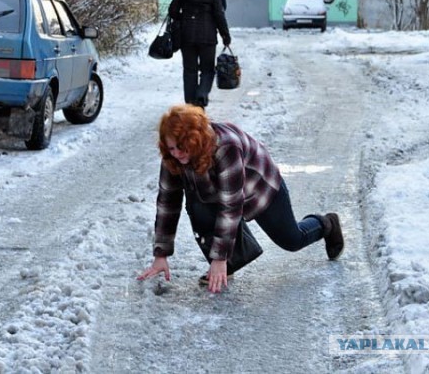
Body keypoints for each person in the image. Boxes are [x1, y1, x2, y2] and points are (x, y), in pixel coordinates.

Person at [137, 104, 344, 293]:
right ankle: (228, 262)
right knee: (198, 205)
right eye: (172, 148)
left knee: (292, 240)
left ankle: (326, 223)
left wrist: (218, 258)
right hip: (217, 191)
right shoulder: (172, 157)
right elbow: (167, 202)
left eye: (182, 147)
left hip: (258, 187)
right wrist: (161, 254)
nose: (177, 154)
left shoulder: (226, 146)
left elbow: (231, 205)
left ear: (194, 138)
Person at [168, 0, 231, 108]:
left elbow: (173, 11)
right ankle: (202, 95)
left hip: (186, 36)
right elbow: (219, 15)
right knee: (207, 70)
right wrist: (225, 36)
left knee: (190, 71)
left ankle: (190, 105)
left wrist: (182, 20)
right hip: (207, 37)